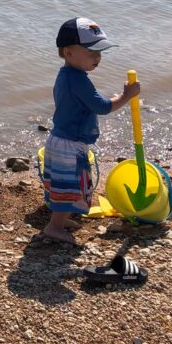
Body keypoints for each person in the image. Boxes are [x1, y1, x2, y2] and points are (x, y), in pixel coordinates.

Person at [42, 17, 140, 245]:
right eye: (92, 52)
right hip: (69, 143)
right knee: (69, 187)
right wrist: (127, 95)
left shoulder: (68, 75)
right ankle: (54, 227)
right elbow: (103, 106)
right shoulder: (77, 81)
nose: (98, 57)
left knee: (67, 186)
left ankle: (61, 220)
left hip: (63, 139)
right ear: (68, 53)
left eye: (100, 52)